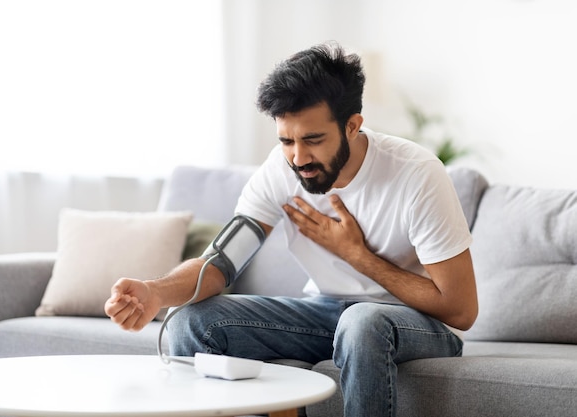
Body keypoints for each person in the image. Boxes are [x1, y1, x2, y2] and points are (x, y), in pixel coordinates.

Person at [105, 42, 478, 417]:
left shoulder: (416, 174)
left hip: (415, 324)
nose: (298, 159)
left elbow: (460, 310)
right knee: (192, 321)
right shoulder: (280, 170)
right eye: (287, 141)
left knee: (362, 320)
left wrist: (358, 256)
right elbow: (219, 264)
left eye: (313, 140)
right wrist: (155, 292)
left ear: (352, 126)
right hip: (325, 313)